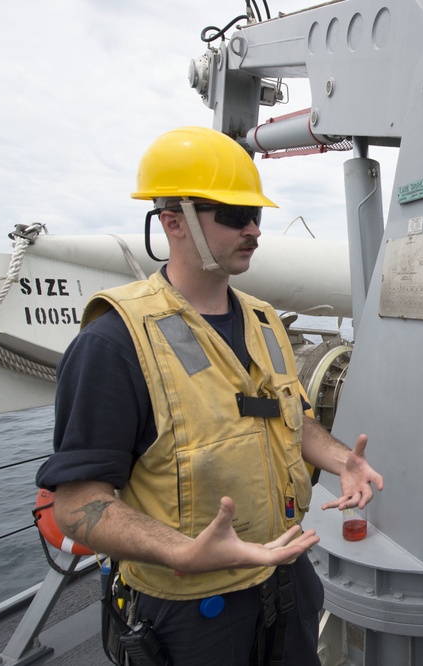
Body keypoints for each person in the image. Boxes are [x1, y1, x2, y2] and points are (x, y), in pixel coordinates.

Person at [35, 126, 383, 665]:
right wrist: (184, 551)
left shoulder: (267, 324)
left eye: (256, 216)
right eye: (232, 215)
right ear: (172, 221)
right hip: (193, 618)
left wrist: (343, 462)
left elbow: (292, 420)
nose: (252, 230)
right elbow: (77, 504)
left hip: (287, 583)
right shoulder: (114, 341)